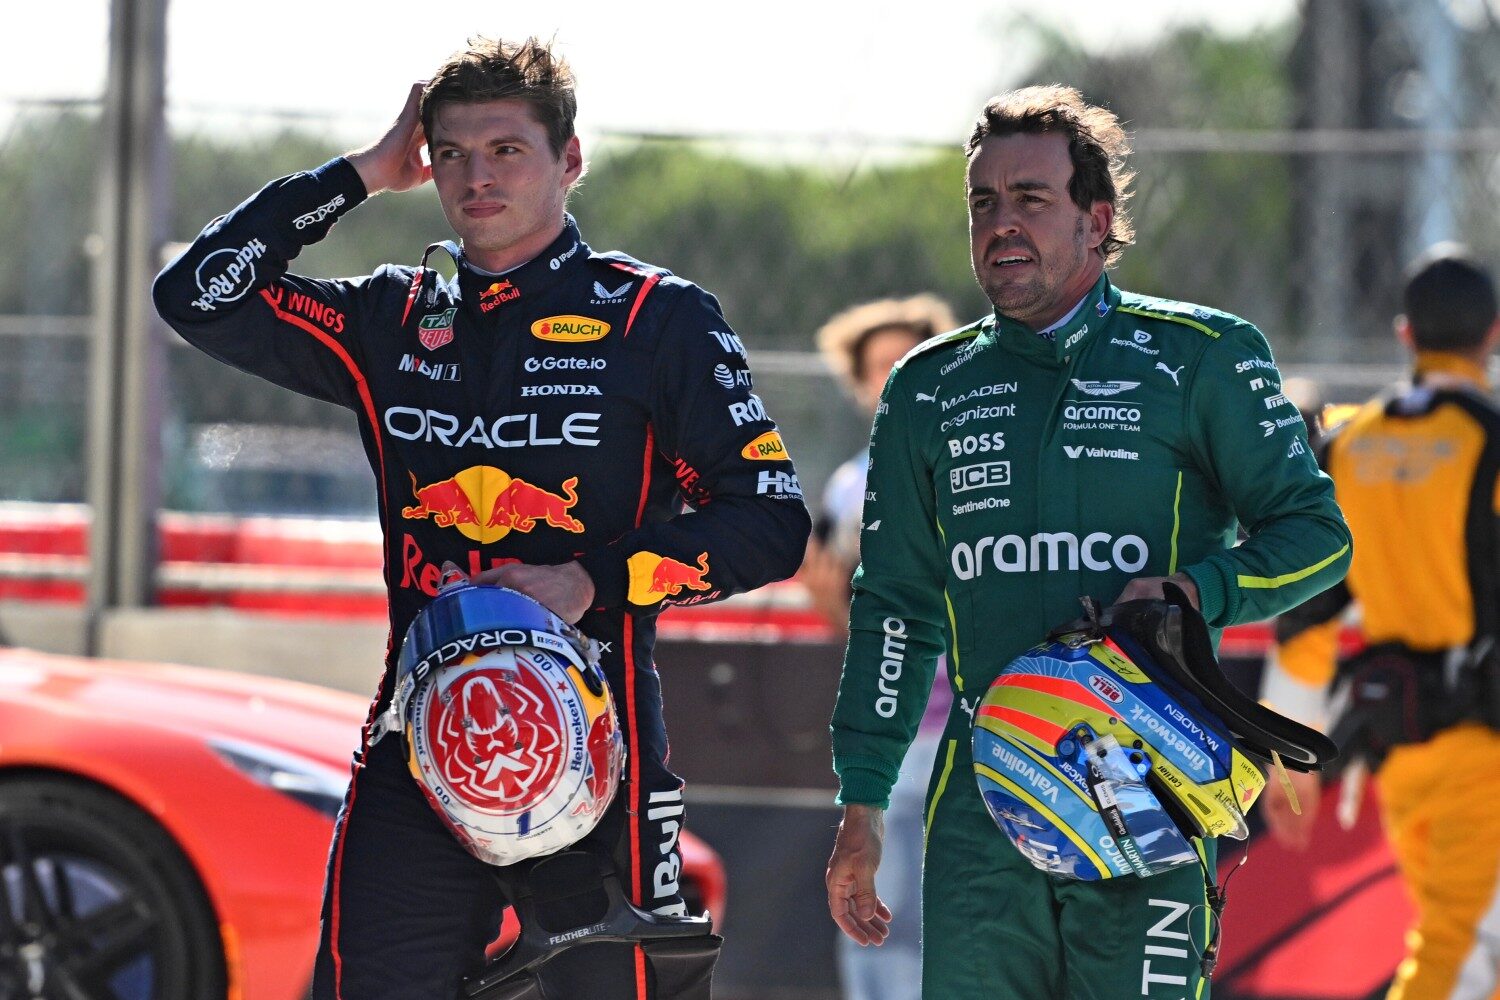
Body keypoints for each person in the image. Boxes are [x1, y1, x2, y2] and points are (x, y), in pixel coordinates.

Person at [153, 37, 810, 1000]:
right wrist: (359, 176)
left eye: (506, 150)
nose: (475, 175)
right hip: (415, 743)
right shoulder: (391, 315)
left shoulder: (657, 318)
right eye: (451, 152)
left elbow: (771, 523)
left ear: (569, 160)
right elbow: (197, 294)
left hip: (599, 745)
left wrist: (592, 579)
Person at [822, 84, 1353, 999]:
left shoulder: (1204, 355)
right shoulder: (927, 386)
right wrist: (862, 800)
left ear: (1097, 219)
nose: (1001, 224)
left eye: (1031, 199)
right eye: (983, 202)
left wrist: (1198, 591)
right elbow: (894, 605)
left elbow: (1317, 537)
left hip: (1146, 786)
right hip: (981, 805)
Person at [1262, 247, 1500, 1000]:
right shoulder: (1489, 439)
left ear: (1406, 335)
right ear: (1492, 334)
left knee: (1456, 939)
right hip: (1487, 746)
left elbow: (1308, 615)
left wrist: (1289, 761)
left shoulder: (1347, 444)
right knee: (1462, 955)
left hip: (1400, 742)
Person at [801, 296, 956, 1000]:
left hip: (976, 725)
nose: (893, 376)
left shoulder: (976, 464)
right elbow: (850, 609)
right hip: (892, 724)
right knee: (869, 905)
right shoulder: (847, 484)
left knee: (943, 916)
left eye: (909, 360)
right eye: (879, 367)